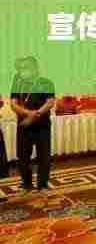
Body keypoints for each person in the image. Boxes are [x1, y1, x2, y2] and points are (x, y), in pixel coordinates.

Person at [10, 56, 55, 195]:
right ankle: (27, 184)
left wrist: (36, 115)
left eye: (26, 68)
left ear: (35, 68)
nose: (23, 71)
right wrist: (28, 114)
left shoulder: (46, 82)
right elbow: (13, 103)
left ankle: (43, 185)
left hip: (42, 125)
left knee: (44, 156)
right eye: (22, 68)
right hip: (24, 125)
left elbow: (50, 102)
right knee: (23, 156)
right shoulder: (18, 83)